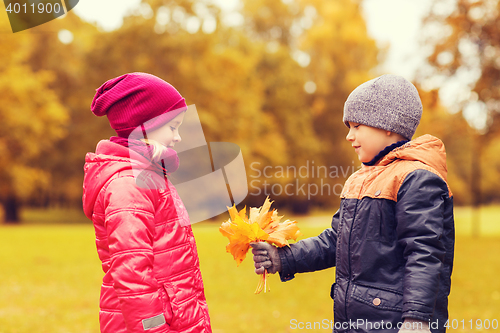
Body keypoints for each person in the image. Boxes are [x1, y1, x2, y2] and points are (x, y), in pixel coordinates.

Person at [251, 74, 454, 333]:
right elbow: (336, 241)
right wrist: (283, 258)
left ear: (387, 125)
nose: (349, 136)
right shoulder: (360, 180)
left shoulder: (416, 178)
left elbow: (424, 253)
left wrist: (417, 319)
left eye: (357, 126)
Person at [82, 72, 212, 333]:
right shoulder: (129, 183)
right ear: (145, 126)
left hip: (176, 315)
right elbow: (132, 273)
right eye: (173, 127)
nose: (178, 138)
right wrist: (154, 329)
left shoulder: (149, 173)